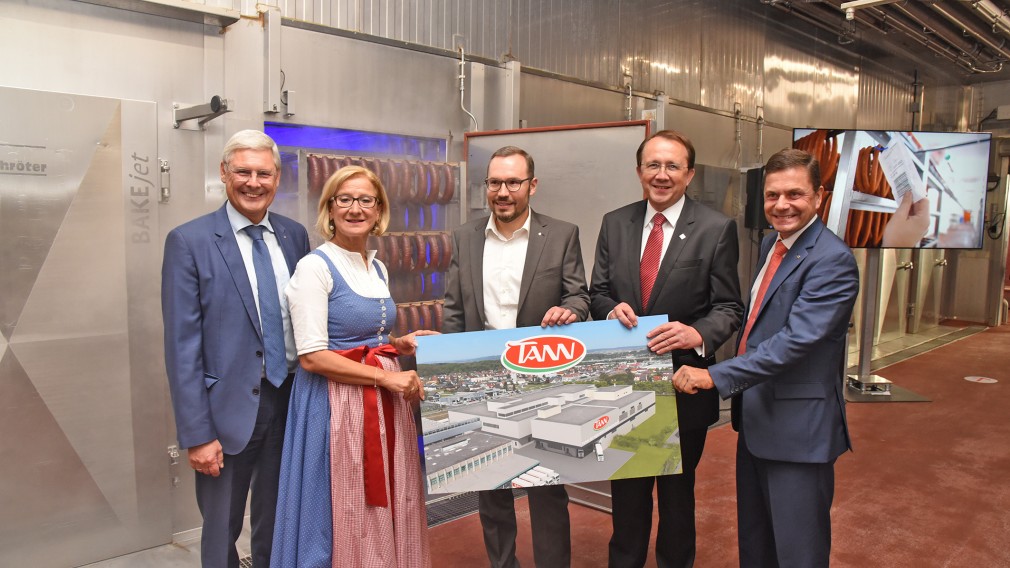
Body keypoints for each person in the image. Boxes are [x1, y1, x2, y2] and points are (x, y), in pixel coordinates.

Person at [673, 148, 859, 567]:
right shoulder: (773, 243)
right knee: (757, 546)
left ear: (819, 197)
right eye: (773, 195)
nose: (781, 205)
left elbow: (795, 342)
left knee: (797, 551)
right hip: (758, 420)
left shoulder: (832, 261)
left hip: (799, 430)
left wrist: (715, 376)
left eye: (795, 194)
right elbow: (758, 323)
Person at [589, 130, 743, 568]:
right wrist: (607, 308)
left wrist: (699, 334)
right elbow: (597, 291)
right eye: (652, 165)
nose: (661, 175)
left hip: (684, 385)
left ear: (689, 174)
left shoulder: (715, 229)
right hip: (625, 386)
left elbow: (730, 306)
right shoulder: (614, 223)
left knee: (677, 499)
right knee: (627, 498)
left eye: (672, 166)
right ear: (639, 171)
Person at [162, 129, 310, 567]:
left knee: (280, 518)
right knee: (221, 529)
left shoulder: (294, 236)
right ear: (224, 174)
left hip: (290, 403)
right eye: (242, 171)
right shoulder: (189, 241)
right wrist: (197, 433)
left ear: (277, 178)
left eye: (263, 173)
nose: (253, 182)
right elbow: (181, 346)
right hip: (225, 415)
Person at [271, 165, 433, 566]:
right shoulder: (315, 267)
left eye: (365, 200)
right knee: (342, 504)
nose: (355, 208)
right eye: (345, 199)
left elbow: (368, 337)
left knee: (382, 500)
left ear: (379, 211)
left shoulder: (375, 265)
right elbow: (312, 356)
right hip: (335, 406)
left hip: (380, 403)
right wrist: (384, 377)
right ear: (329, 209)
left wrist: (400, 343)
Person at [442, 145, 590, 568]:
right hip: (483, 378)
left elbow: (578, 295)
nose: (502, 191)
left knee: (547, 487)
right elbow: (454, 309)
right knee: (490, 486)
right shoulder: (465, 237)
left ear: (532, 186)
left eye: (512, 182)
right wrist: (449, 382)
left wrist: (573, 311)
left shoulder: (561, 233)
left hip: (543, 378)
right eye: (494, 182)